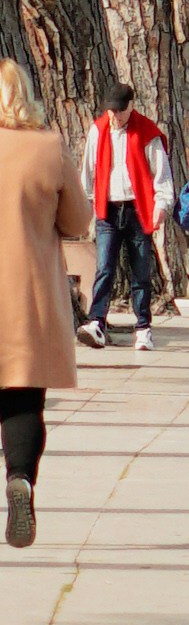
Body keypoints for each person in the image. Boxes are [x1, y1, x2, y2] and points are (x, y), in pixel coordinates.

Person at [0, 59, 88, 547]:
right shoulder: (47, 148)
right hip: (25, 298)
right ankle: (20, 478)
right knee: (23, 398)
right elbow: (77, 222)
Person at [84, 83, 169, 346]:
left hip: (137, 209)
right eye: (112, 111)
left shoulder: (147, 132)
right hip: (107, 209)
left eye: (120, 111)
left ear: (131, 106)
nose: (116, 116)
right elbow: (88, 172)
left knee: (141, 271)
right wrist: (87, 204)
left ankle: (143, 327)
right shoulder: (98, 130)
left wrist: (162, 204)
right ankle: (97, 322)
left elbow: (161, 174)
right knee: (104, 268)